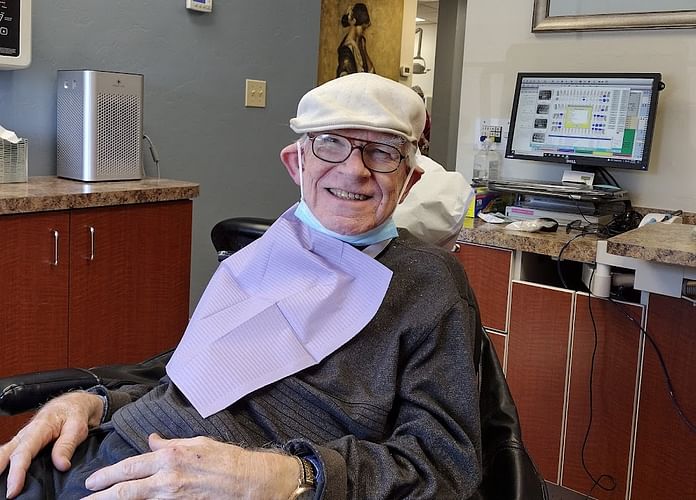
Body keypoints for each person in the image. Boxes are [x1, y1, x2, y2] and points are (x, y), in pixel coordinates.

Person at [0, 73, 483, 499]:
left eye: (383, 152)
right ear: (297, 163)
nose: (355, 170)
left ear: (409, 180)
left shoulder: (428, 284)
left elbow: (446, 468)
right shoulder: (263, 254)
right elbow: (195, 378)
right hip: (117, 444)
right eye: (331, 143)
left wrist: (285, 477)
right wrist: (95, 402)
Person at [336, 3, 375, 77]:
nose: (364, 32)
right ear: (354, 22)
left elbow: (371, 73)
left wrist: (364, 50)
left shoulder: (360, 43)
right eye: (363, 28)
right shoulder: (346, 50)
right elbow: (348, 79)